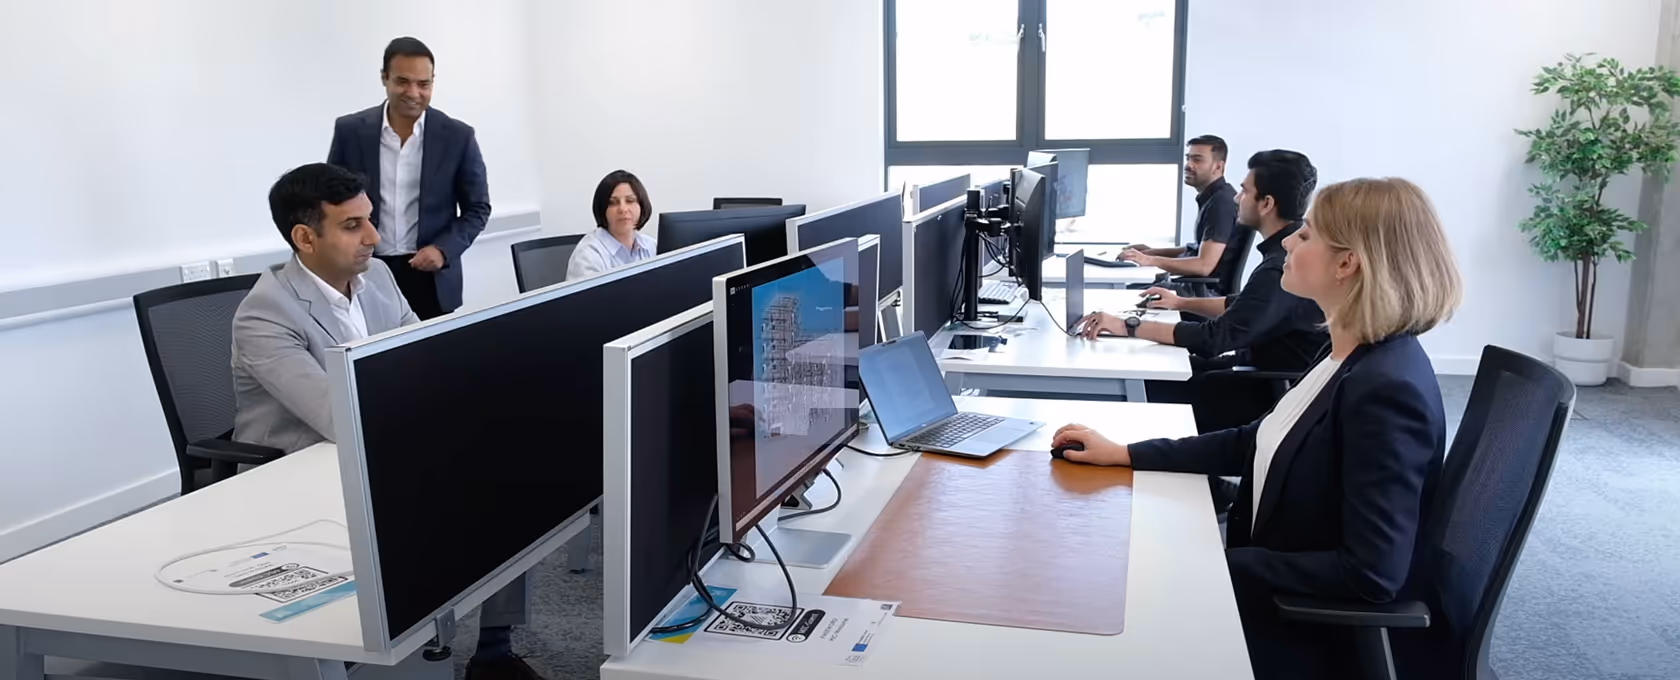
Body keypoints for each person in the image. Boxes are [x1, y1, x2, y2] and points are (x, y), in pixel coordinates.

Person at [1051, 177, 1463, 680]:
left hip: (1303, 631)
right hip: (1266, 578)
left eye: (1307, 235)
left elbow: (1371, 575)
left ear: (1347, 263)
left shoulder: (1386, 390)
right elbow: (1259, 439)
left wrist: (1215, 564)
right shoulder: (1348, 353)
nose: (1289, 241)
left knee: (1093, 595)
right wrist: (1126, 453)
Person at [233, 164, 540, 680]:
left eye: (370, 219)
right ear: (305, 238)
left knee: (508, 476)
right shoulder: (266, 314)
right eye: (353, 226)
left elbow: (427, 355)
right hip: (299, 471)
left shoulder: (374, 276)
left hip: (381, 441)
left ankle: (493, 652)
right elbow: (339, 415)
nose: (375, 238)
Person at [1077, 150, 1329, 434]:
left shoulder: (1280, 266)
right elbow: (1245, 305)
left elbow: (1215, 338)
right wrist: (1179, 302)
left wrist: (1128, 326)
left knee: (1143, 383)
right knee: (1156, 364)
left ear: (1267, 204)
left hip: (1262, 393)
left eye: (1245, 192)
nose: (1236, 198)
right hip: (1257, 373)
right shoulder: (1281, 256)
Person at [327, 36, 491, 320]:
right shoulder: (350, 131)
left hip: (431, 275)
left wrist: (443, 249)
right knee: (371, 359)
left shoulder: (458, 137)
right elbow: (331, 202)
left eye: (423, 84)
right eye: (403, 81)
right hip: (365, 270)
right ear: (384, 78)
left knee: (435, 361)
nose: (413, 92)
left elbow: (478, 208)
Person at [1120, 135, 1243, 294]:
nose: (1188, 165)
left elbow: (1204, 265)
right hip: (1197, 288)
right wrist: (1152, 251)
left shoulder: (1220, 204)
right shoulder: (1214, 197)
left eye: (1197, 160)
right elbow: (1197, 249)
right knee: (1128, 288)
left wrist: (1149, 260)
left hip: (1204, 293)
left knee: (1125, 292)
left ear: (1218, 167)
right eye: (1188, 158)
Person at [565, 170, 656, 280]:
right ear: (602, 209)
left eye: (630, 200)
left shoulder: (651, 246)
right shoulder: (588, 256)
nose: (623, 209)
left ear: (642, 205)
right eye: (613, 203)